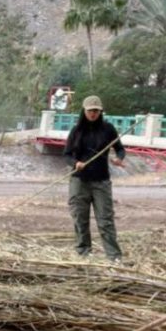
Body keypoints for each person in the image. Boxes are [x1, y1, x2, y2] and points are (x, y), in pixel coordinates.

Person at [63, 95, 125, 261]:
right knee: (80, 218)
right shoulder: (76, 131)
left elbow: (120, 149)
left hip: (101, 181)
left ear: (100, 111)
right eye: (90, 110)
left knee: (105, 220)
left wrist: (119, 158)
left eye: (96, 111)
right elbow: (67, 155)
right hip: (79, 181)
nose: (93, 114)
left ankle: (114, 256)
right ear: (84, 111)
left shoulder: (108, 129)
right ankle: (84, 252)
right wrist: (75, 163)